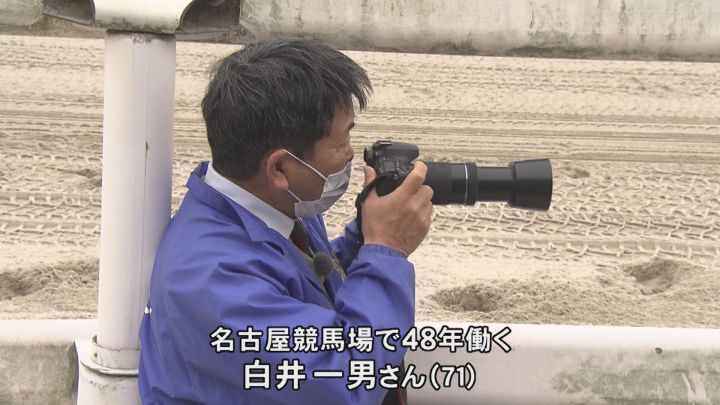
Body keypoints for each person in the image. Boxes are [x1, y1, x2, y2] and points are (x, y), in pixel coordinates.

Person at [138, 39, 433, 404]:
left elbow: (304, 278)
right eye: (341, 143)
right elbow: (346, 379)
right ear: (279, 168)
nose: (352, 155)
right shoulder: (209, 280)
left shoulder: (272, 208)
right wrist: (386, 247)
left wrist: (365, 235)